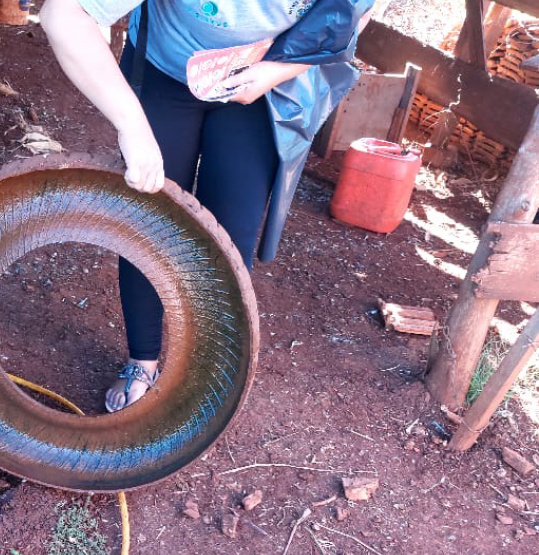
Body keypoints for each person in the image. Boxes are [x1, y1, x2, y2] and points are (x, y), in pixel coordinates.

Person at [39, 0, 374, 412]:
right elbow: (64, 14)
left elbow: (351, 13)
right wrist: (133, 127)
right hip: (166, 69)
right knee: (149, 218)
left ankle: (206, 367)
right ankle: (141, 361)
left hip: (263, 81)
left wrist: (275, 71)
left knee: (231, 233)